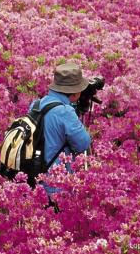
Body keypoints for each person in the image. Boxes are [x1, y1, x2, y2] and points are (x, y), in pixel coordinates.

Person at [29, 62, 91, 196]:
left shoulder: (36, 105)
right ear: (74, 93)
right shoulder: (66, 112)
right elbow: (83, 144)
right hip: (55, 183)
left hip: (34, 174)